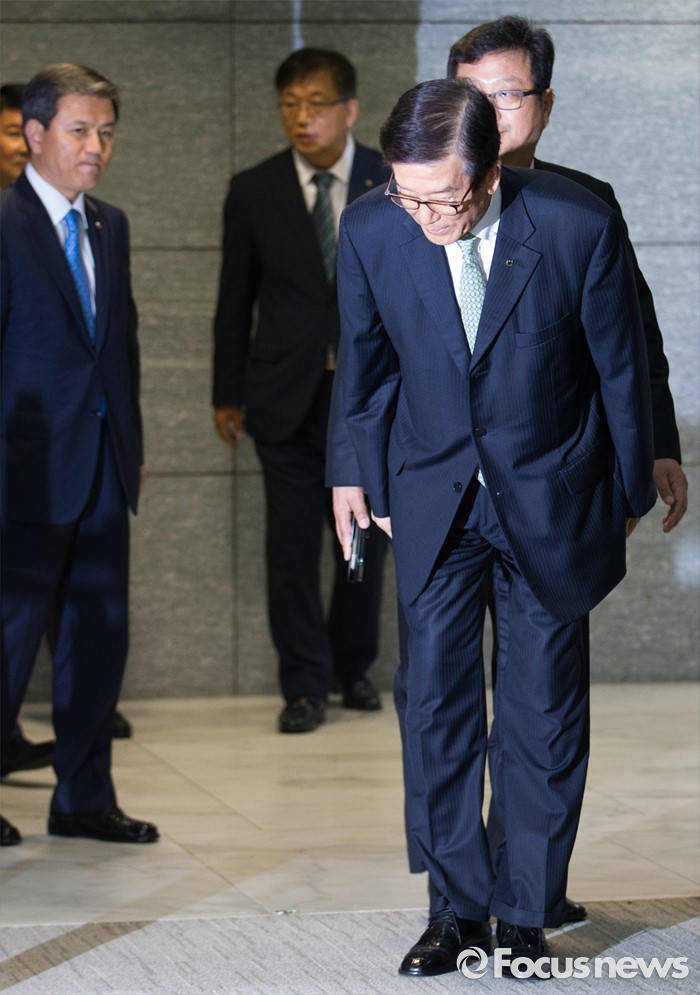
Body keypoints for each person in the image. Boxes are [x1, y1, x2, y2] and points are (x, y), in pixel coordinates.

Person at [328, 79, 655, 975]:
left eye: (445, 198)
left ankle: (524, 911)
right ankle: (454, 909)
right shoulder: (371, 229)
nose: (426, 217)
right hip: (428, 495)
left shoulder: (575, 224)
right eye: (409, 196)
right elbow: (362, 364)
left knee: (541, 712)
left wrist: (628, 488)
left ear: (490, 171)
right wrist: (350, 469)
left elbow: (619, 365)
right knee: (433, 705)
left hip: (551, 495)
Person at [0, 63, 158, 846]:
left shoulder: (109, 224)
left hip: (101, 463)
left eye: (107, 132)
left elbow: (118, 345)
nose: (96, 146)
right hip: (19, 470)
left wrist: (131, 443)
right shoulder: (4, 223)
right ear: (34, 134)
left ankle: (83, 797)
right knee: (8, 637)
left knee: (98, 637)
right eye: (79, 130)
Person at [212, 48, 389, 734]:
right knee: (288, 549)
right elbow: (235, 300)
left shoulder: (390, 178)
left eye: (316, 103)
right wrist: (226, 392)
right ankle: (305, 684)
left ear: (349, 109)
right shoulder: (253, 188)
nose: (301, 116)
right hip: (283, 396)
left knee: (363, 542)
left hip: (367, 398)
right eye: (290, 104)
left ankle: (352, 668)